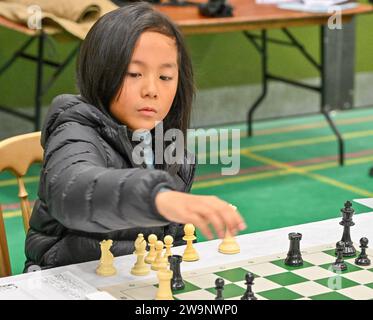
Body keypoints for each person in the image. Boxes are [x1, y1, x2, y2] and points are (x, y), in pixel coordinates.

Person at [24, 2, 246, 271]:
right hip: (63, 282)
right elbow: (72, 190)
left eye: (165, 76)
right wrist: (157, 197)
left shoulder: (166, 141)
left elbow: (170, 242)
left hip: (132, 279)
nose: (151, 89)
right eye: (134, 73)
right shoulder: (74, 128)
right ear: (101, 71)